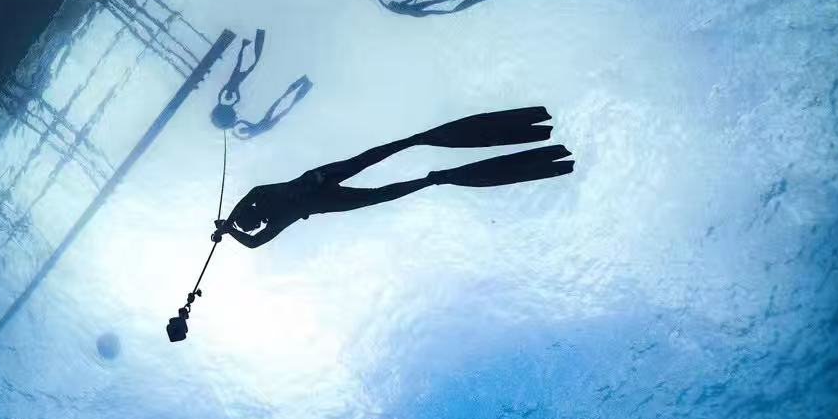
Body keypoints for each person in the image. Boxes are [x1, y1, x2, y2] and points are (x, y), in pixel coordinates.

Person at [211, 107, 573, 248]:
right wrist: (230, 229)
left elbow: (251, 208)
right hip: (322, 195)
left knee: (377, 160)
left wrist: (229, 226)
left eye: (250, 220)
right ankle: (434, 175)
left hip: (318, 185)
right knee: (381, 187)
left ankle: (428, 163)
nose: (254, 222)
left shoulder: (265, 200)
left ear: (253, 216)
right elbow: (254, 242)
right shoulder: (271, 214)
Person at [211, 29, 266, 129]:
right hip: (236, 80)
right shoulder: (223, 99)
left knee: (247, 64)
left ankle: (256, 38)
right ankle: (249, 42)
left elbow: (233, 92)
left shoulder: (229, 99)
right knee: (242, 64)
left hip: (237, 80)